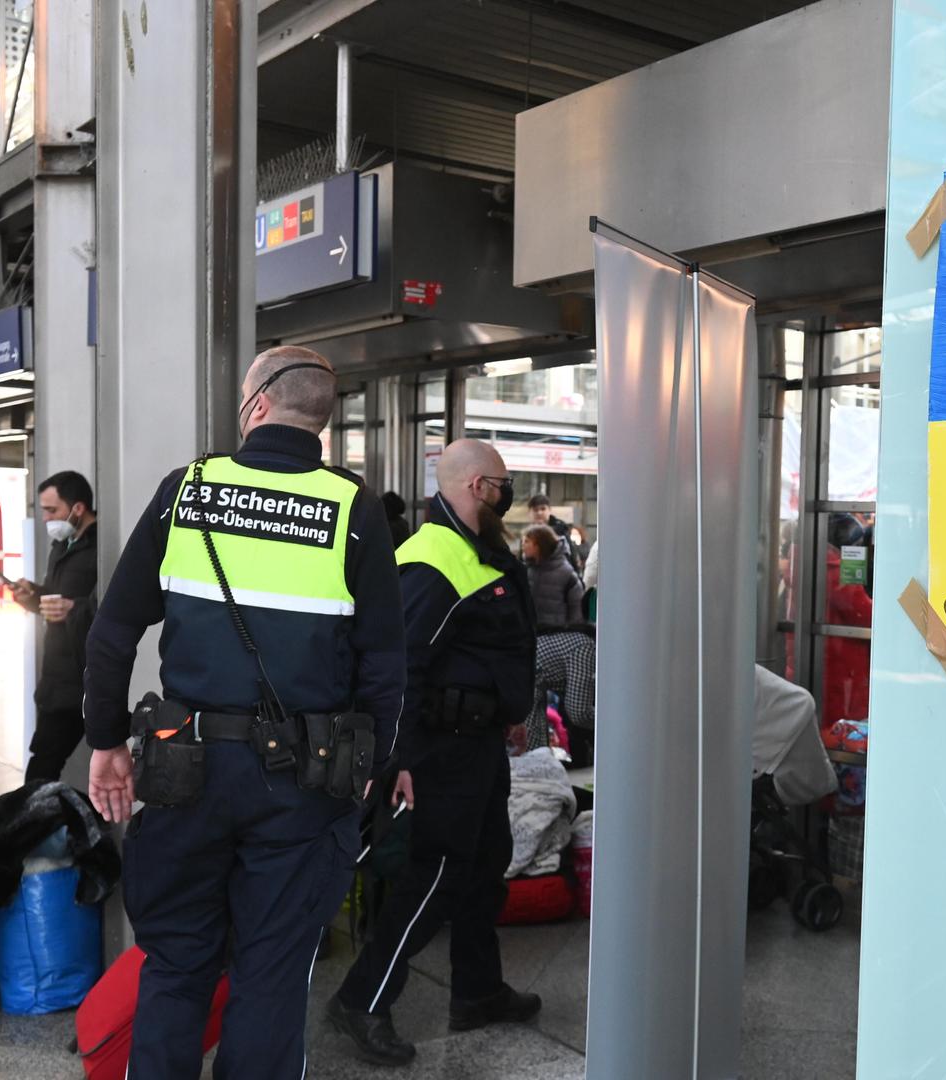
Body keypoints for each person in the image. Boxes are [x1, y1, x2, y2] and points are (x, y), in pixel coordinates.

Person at [83, 346, 405, 1080]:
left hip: (182, 770)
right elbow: (387, 662)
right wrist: (369, 768)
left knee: (177, 962)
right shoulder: (353, 508)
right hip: (304, 782)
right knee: (273, 973)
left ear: (257, 404)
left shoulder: (187, 488)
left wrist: (107, 740)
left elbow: (112, 633)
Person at [327, 438, 541, 1065]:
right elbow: (402, 667)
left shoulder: (481, 548)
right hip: (439, 751)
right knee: (437, 876)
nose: (509, 490)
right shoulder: (430, 558)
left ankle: (476, 992)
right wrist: (401, 761)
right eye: (504, 480)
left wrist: (507, 714)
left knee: (482, 870)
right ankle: (362, 999)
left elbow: (487, 647)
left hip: (478, 741)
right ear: (478, 486)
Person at [9, 471, 99, 782]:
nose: (47, 519)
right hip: (58, 678)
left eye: (52, 511)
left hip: (89, 673)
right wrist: (32, 595)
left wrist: (76, 609)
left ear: (77, 508)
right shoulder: (61, 545)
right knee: (44, 762)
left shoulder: (102, 546)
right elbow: (54, 600)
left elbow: (110, 604)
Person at [523, 524, 583, 629]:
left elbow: (576, 611)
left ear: (539, 545)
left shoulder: (566, 574)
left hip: (557, 636)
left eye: (527, 541)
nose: (523, 545)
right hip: (530, 635)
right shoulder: (527, 569)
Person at [526, 493, 581, 574]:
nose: (539, 513)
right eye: (535, 510)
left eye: (543, 509)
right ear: (530, 512)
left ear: (549, 510)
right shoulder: (528, 533)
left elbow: (571, 556)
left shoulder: (560, 530)